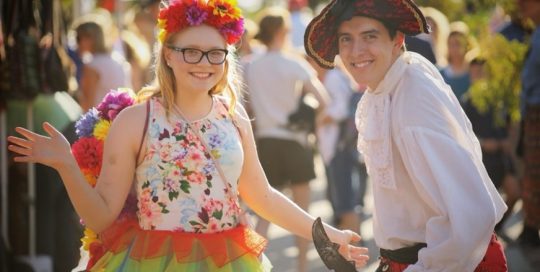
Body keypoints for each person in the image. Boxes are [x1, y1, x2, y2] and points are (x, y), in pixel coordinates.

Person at [7, 1, 369, 271]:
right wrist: (66, 164)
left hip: (230, 258)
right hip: (151, 260)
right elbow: (102, 217)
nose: (204, 62)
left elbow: (263, 196)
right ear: (167, 55)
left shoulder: (234, 114)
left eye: (215, 53)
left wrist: (328, 234)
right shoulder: (135, 120)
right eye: (191, 51)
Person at [304, 0, 508, 271]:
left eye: (369, 36)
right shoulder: (388, 84)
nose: (356, 51)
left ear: (397, 39)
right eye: (346, 39)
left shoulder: (413, 99)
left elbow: (471, 214)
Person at [246, 7, 331, 272]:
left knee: (263, 214)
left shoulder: (251, 66)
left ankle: (252, 265)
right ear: (283, 32)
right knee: (304, 217)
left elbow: (247, 111)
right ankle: (302, 268)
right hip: (296, 142)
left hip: (266, 144)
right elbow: (324, 102)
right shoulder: (295, 63)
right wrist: (311, 126)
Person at [516, 0, 540, 248]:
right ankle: (531, 231)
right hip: (531, 117)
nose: (519, 6)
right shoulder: (535, 34)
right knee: (531, 177)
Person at [75, 21, 132, 111]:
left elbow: (88, 104)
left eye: (78, 38)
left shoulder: (92, 65)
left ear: (89, 39)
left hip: (100, 121)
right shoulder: (118, 60)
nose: (76, 43)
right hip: (120, 117)